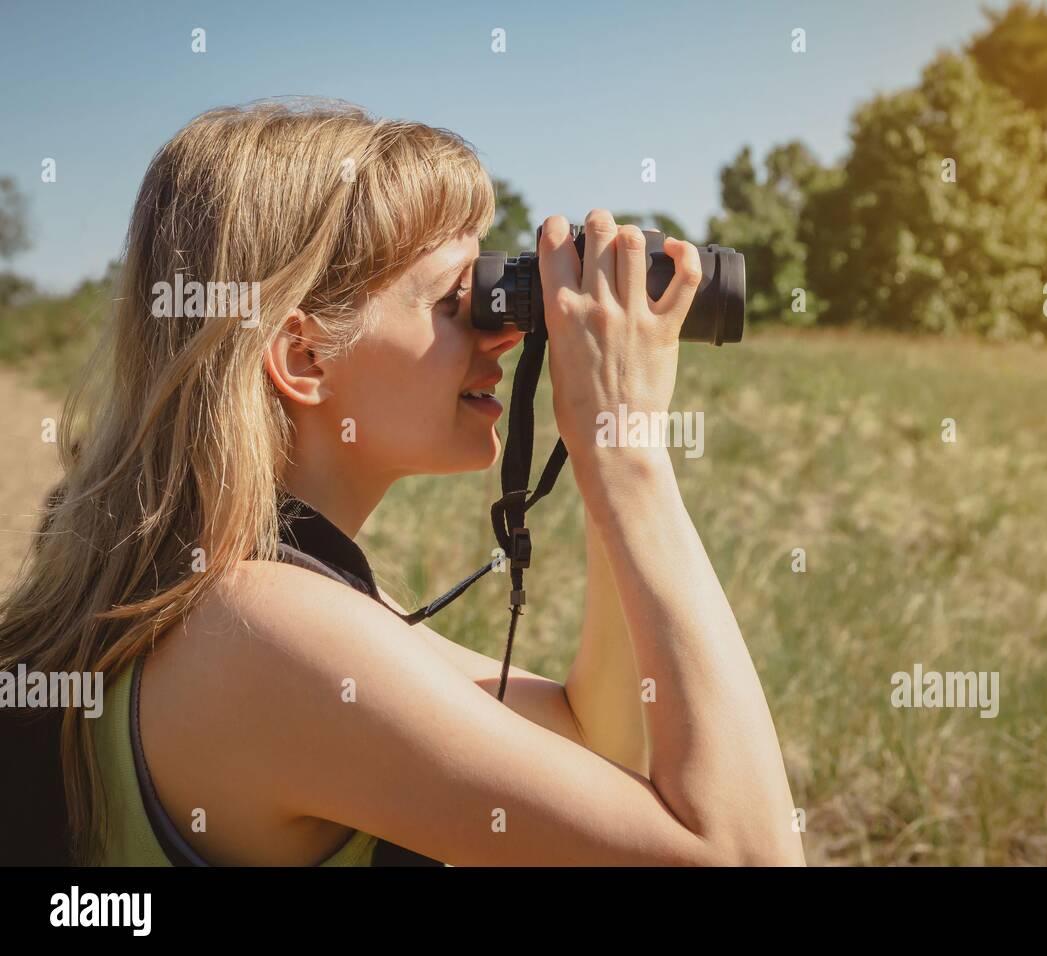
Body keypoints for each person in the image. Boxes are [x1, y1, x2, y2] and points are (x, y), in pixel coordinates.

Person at [0, 99, 805, 867]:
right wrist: (631, 456)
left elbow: (587, 739)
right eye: (462, 302)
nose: (507, 331)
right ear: (305, 357)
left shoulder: (226, 589)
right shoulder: (265, 634)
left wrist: (601, 473)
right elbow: (749, 856)